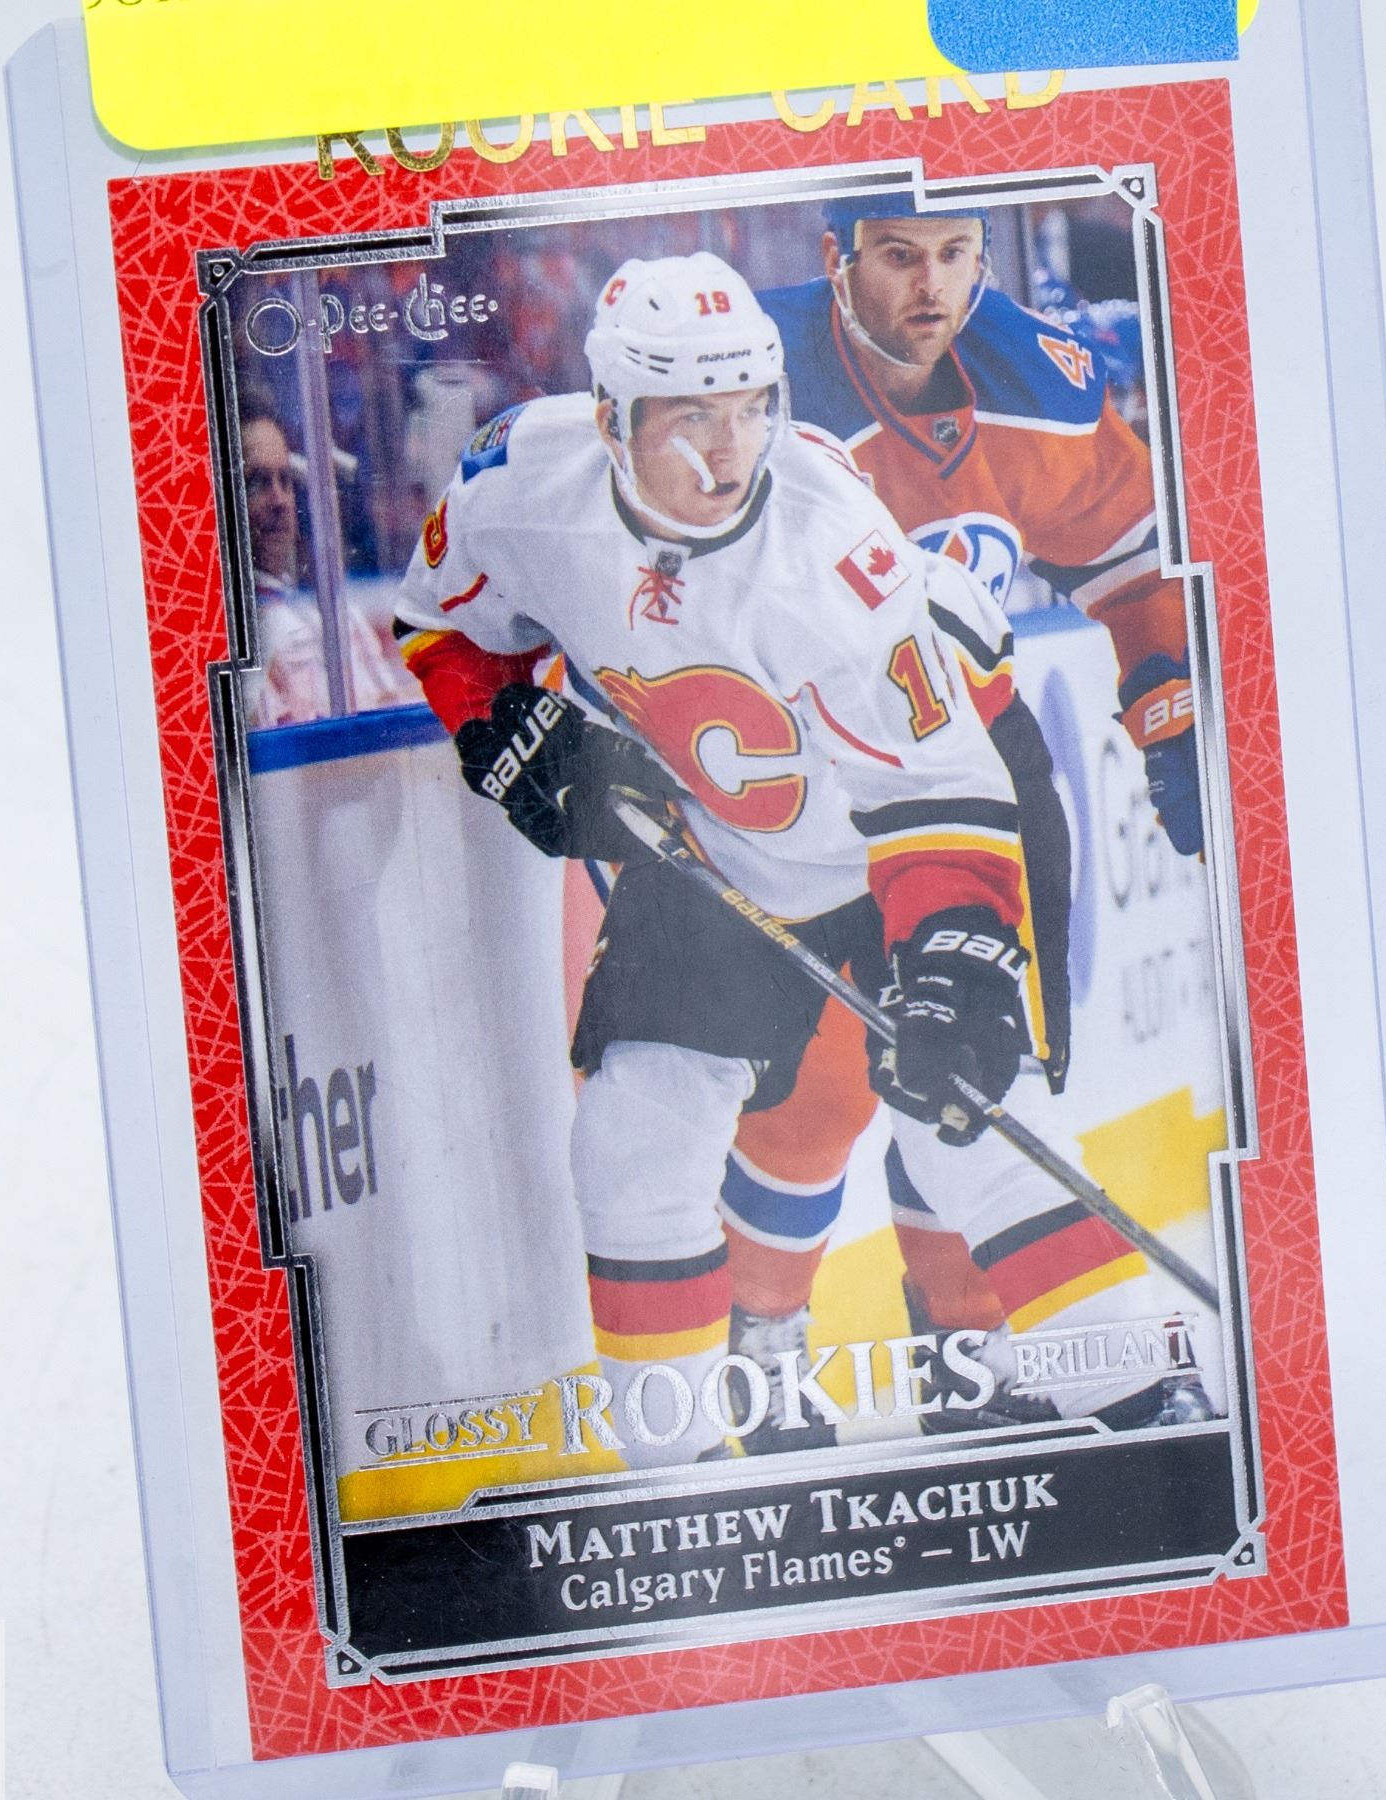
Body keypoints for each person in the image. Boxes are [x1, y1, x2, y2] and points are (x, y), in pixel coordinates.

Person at [393, 252, 1154, 1468]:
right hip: (724, 843)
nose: (728, 452)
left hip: (915, 812)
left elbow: (933, 781)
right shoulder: (519, 484)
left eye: (750, 408)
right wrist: (500, 725)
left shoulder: (830, 545)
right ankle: (678, 1468)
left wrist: (954, 955)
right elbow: (440, 619)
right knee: (632, 1137)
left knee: (963, 1115)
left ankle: (1138, 1392)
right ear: (610, 419)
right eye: (689, 419)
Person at [711, 199, 1213, 1440]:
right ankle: (763, 1349)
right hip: (794, 785)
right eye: (897, 257)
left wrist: (1173, 722)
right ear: (836, 261)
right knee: (820, 1089)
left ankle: (968, 1356)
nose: (928, 287)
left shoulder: (1035, 379)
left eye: (952, 256)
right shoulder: (747, 372)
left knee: (977, 1058)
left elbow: (1137, 564)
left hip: (969, 777)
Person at [240, 400, 413, 725]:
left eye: (285, 480)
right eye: (256, 483)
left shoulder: (341, 619)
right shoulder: (243, 641)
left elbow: (396, 724)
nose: (279, 500)